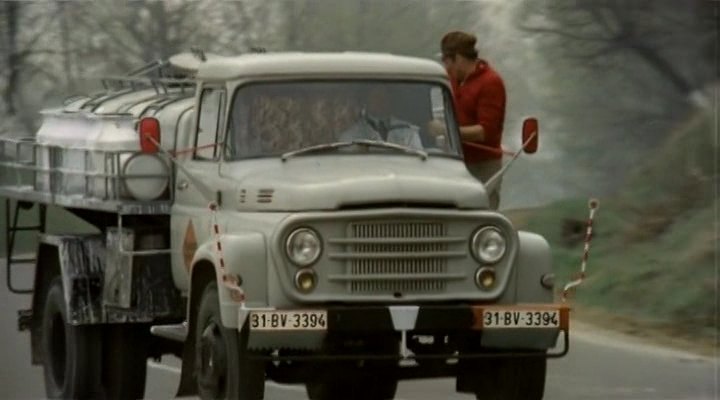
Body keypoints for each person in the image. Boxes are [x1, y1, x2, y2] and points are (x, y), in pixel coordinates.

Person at [438, 31, 507, 209]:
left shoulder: (491, 82)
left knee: (482, 213)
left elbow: (485, 132)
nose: (445, 67)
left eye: (447, 61)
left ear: (459, 58)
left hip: (484, 166)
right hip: (456, 162)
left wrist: (447, 131)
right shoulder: (451, 80)